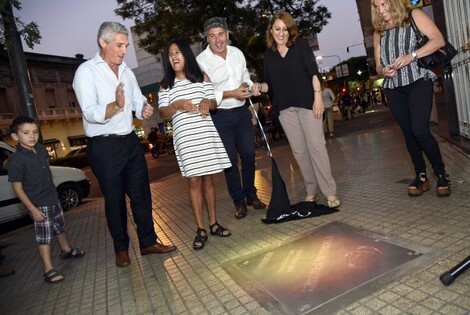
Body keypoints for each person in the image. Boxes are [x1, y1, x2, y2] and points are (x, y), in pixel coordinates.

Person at [72, 21, 176, 268]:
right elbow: (90, 112)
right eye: (119, 45)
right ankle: (121, 248)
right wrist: (116, 106)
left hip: (130, 141)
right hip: (104, 146)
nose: (123, 50)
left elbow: (137, 101)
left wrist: (143, 107)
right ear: (103, 42)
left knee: (141, 194)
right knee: (115, 198)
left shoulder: (127, 72)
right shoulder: (86, 72)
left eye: (126, 45)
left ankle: (148, 242)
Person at [254, 11, 340, 208]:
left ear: (290, 30)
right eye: (277, 29)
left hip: (308, 105)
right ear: (271, 30)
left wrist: (318, 96)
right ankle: (312, 190)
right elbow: (269, 85)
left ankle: (330, 192)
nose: (281, 33)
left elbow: (313, 72)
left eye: (285, 29)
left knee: (316, 147)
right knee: (300, 152)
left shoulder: (300, 46)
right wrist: (259, 87)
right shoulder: (269, 55)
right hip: (285, 110)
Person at [158, 39, 232, 250]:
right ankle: (200, 229)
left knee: (209, 180)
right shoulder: (166, 85)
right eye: (170, 54)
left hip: (205, 134)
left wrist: (206, 103)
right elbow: (163, 113)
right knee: (194, 182)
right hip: (186, 138)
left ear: (186, 55)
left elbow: (214, 102)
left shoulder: (202, 77)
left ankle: (213, 223)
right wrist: (176, 105)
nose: (173, 56)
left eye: (177, 52)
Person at [372, 0, 451, 197]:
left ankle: (441, 174)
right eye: (376, 6)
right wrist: (384, 70)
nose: (381, 10)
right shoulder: (378, 32)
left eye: (384, 4)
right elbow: (377, 66)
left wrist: (412, 56)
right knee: (408, 133)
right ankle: (421, 175)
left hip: (418, 80)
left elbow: (438, 40)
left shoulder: (413, 16)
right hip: (394, 87)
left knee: (420, 130)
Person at [196, 17, 267, 219]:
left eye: (221, 34)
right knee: (229, 162)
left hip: (242, 112)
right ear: (207, 39)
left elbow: (244, 75)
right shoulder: (201, 61)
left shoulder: (237, 53)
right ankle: (239, 202)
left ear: (227, 34)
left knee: (248, 155)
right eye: (212, 36)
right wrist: (230, 93)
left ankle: (251, 196)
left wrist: (249, 85)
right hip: (220, 116)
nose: (218, 40)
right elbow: (206, 93)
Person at [7, 116, 85, 283]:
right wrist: (33, 209)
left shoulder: (41, 149)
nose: (32, 136)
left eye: (35, 132)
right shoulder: (16, 160)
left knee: (60, 226)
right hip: (38, 205)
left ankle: (66, 250)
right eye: (26, 133)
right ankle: (48, 270)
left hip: (53, 198)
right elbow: (18, 189)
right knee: (44, 237)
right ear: (15, 137)